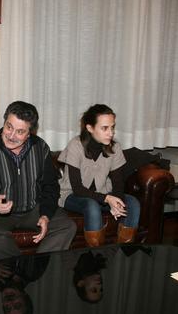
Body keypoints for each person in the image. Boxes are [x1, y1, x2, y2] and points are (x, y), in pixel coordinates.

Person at [0, 101, 77, 260]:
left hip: (33, 208)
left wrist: (45, 215)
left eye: (20, 131)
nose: (11, 135)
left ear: (29, 133)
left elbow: (50, 186)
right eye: (9, 127)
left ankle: (38, 268)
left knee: (66, 227)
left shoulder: (40, 148)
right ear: (4, 122)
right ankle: (21, 268)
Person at [58, 104, 141, 247]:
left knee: (132, 202)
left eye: (112, 127)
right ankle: (96, 254)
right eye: (105, 128)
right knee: (91, 205)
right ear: (90, 128)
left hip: (102, 193)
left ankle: (123, 251)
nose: (111, 133)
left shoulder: (115, 148)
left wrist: (117, 203)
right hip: (71, 195)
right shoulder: (75, 146)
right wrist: (107, 199)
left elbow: (118, 182)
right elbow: (77, 189)